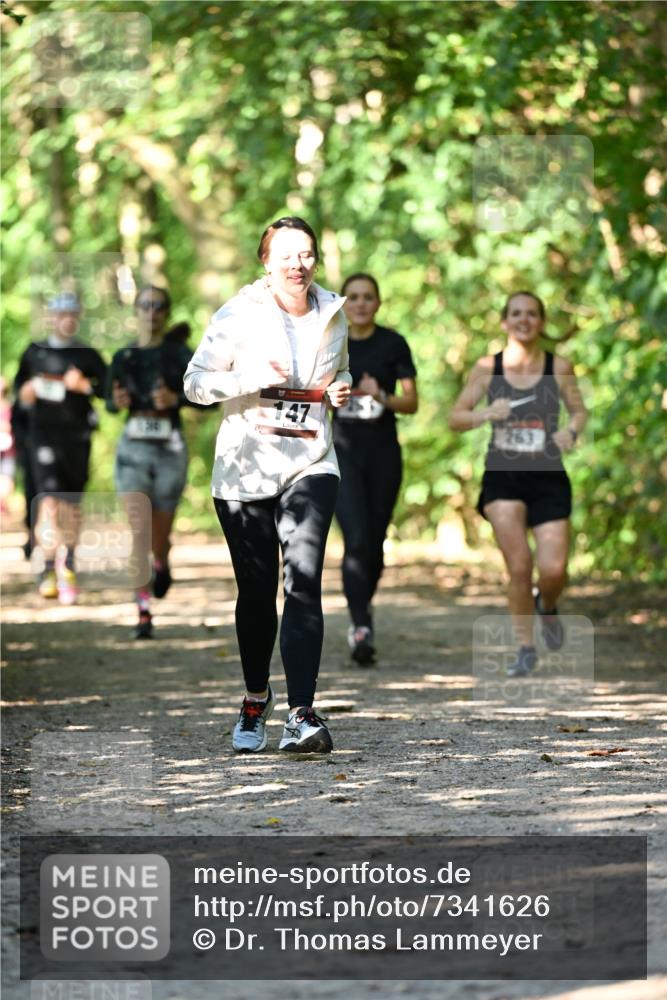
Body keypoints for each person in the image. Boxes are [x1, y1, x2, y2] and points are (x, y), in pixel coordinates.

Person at [184, 216, 351, 755]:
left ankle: (302, 714)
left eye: (305, 254)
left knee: (303, 578)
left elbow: (339, 371)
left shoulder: (334, 312)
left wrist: (340, 388)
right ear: (266, 260)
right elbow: (195, 383)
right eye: (285, 254)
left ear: (315, 260)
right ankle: (256, 698)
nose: (296, 264)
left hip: (312, 462)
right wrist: (246, 380)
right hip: (244, 469)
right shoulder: (238, 314)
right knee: (257, 594)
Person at [449, 291, 588, 676]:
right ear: (504, 322)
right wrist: (485, 414)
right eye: (516, 313)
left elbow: (578, 412)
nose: (523, 320)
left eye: (531, 314)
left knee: (554, 568)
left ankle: (548, 603)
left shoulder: (558, 366)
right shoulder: (487, 367)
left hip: (548, 477)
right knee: (520, 566)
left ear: (541, 322)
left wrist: (571, 433)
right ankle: (526, 647)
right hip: (502, 477)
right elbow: (456, 417)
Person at [333, 273, 418, 665]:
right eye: (353, 297)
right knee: (357, 538)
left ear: (378, 303)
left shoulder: (393, 343)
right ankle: (361, 624)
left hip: (383, 453)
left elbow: (411, 403)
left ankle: (361, 603)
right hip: (341, 452)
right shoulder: (331, 342)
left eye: (368, 297)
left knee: (376, 543)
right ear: (342, 303)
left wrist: (380, 394)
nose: (361, 303)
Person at [107, 286, 195, 640]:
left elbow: (206, 396)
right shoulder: (124, 355)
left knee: (159, 535)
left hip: (170, 448)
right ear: (137, 310)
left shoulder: (179, 354)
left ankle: (162, 560)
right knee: (138, 528)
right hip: (133, 449)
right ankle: (142, 608)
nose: (152, 311)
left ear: (167, 312)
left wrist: (175, 397)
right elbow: (109, 404)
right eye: (145, 305)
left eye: (159, 305)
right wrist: (118, 399)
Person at [13, 292, 107, 603]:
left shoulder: (88, 355)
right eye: (59, 313)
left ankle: (69, 563)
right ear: (51, 317)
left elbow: (109, 393)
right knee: (49, 502)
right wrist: (26, 393)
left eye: (71, 312)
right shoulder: (34, 352)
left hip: (77, 441)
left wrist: (84, 387)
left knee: (72, 505)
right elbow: (20, 397)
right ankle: (49, 567)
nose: (65, 318)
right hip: (42, 440)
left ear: (78, 316)